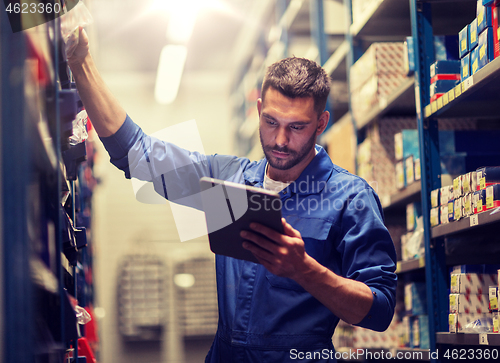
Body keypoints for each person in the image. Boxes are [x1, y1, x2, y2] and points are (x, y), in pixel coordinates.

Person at [68, 27, 397, 362]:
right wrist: (81, 63)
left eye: (296, 127)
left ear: (321, 122)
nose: (280, 140)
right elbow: (136, 152)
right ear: (258, 109)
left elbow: (380, 309)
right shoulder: (226, 180)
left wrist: (304, 270)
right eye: (271, 122)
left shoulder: (351, 198)